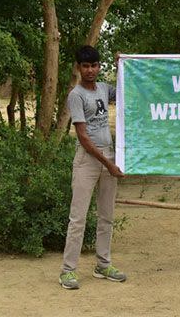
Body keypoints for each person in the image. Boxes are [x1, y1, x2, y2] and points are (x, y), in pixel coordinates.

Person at [59, 45, 126, 290]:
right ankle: (68, 271)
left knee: (106, 216)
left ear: (99, 66)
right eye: (85, 66)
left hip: (108, 159)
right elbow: (84, 138)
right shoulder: (76, 96)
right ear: (78, 68)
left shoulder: (103, 89)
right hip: (88, 162)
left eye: (94, 65)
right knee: (78, 218)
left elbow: (125, 91)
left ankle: (103, 264)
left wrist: (122, 66)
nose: (90, 70)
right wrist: (109, 164)